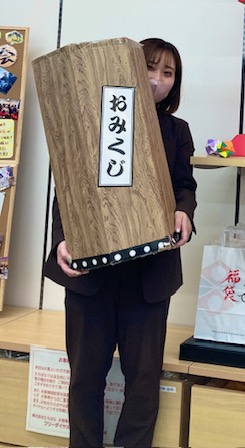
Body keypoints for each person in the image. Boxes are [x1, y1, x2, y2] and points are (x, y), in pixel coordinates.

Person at [44, 37, 197, 448]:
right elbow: (67, 190)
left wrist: (184, 210)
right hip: (92, 277)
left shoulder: (176, 131)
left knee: (143, 383)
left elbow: (185, 185)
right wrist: (62, 240)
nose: (157, 79)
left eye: (168, 73)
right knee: (85, 379)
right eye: (149, 67)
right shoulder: (91, 118)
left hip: (149, 278)